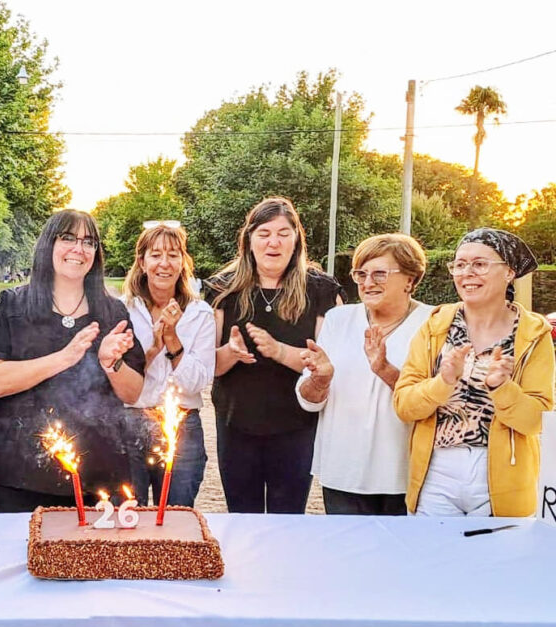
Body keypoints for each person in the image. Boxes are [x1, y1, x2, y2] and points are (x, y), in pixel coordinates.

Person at [0, 209, 145, 513]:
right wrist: (65, 357)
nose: (79, 249)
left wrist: (111, 364)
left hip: (97, 475)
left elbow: (133, 392)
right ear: (48, 245)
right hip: (16, 474)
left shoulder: (113, 313)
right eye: (68, 238)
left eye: (89, 242)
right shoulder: (11, 305)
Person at [394, 228, 554, 517]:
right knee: (434, 560)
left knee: (494, 561)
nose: (466, 273)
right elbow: (404, 405)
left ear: (509, 272)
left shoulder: (534, 334)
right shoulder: (434, 326)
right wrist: (442, 382)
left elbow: (536, 421)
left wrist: (501, 387)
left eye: (479, 264)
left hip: (503, 477)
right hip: (436, 473)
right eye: (459, 264)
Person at [206, 196, 343, 513]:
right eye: (264, 233)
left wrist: (279, 351)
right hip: (236, 426)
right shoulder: (222, 290)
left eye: (283, 233)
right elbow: (209, 366)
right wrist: (230, 352)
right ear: (249, 239)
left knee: (288, 519)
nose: (274, 242)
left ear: (296, 239)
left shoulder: (322, 291)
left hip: (296, 428)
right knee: (242, 519)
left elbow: (328, 365)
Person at [296, 234, 433, 515]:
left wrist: (384, 370)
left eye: (380, 274)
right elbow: (308, 399)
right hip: (344, 470)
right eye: (361, 274)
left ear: (410, 279)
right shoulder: (339, 319)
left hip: (404, 472)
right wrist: (319, 380)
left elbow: (435, 399)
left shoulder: (432, 322)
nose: (368, 283)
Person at [122, 221, 214, 506]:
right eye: (156, 254)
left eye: (173, 254)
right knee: (127, 519)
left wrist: (173, 339)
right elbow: (115, 376)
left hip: (182, 426)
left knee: (176, 518)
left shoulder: (200, 313)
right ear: (142, 261)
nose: (164, 263)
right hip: (129, 422)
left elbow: (198, 382)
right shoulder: (121, 310)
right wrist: (151, 349)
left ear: (183, 261)